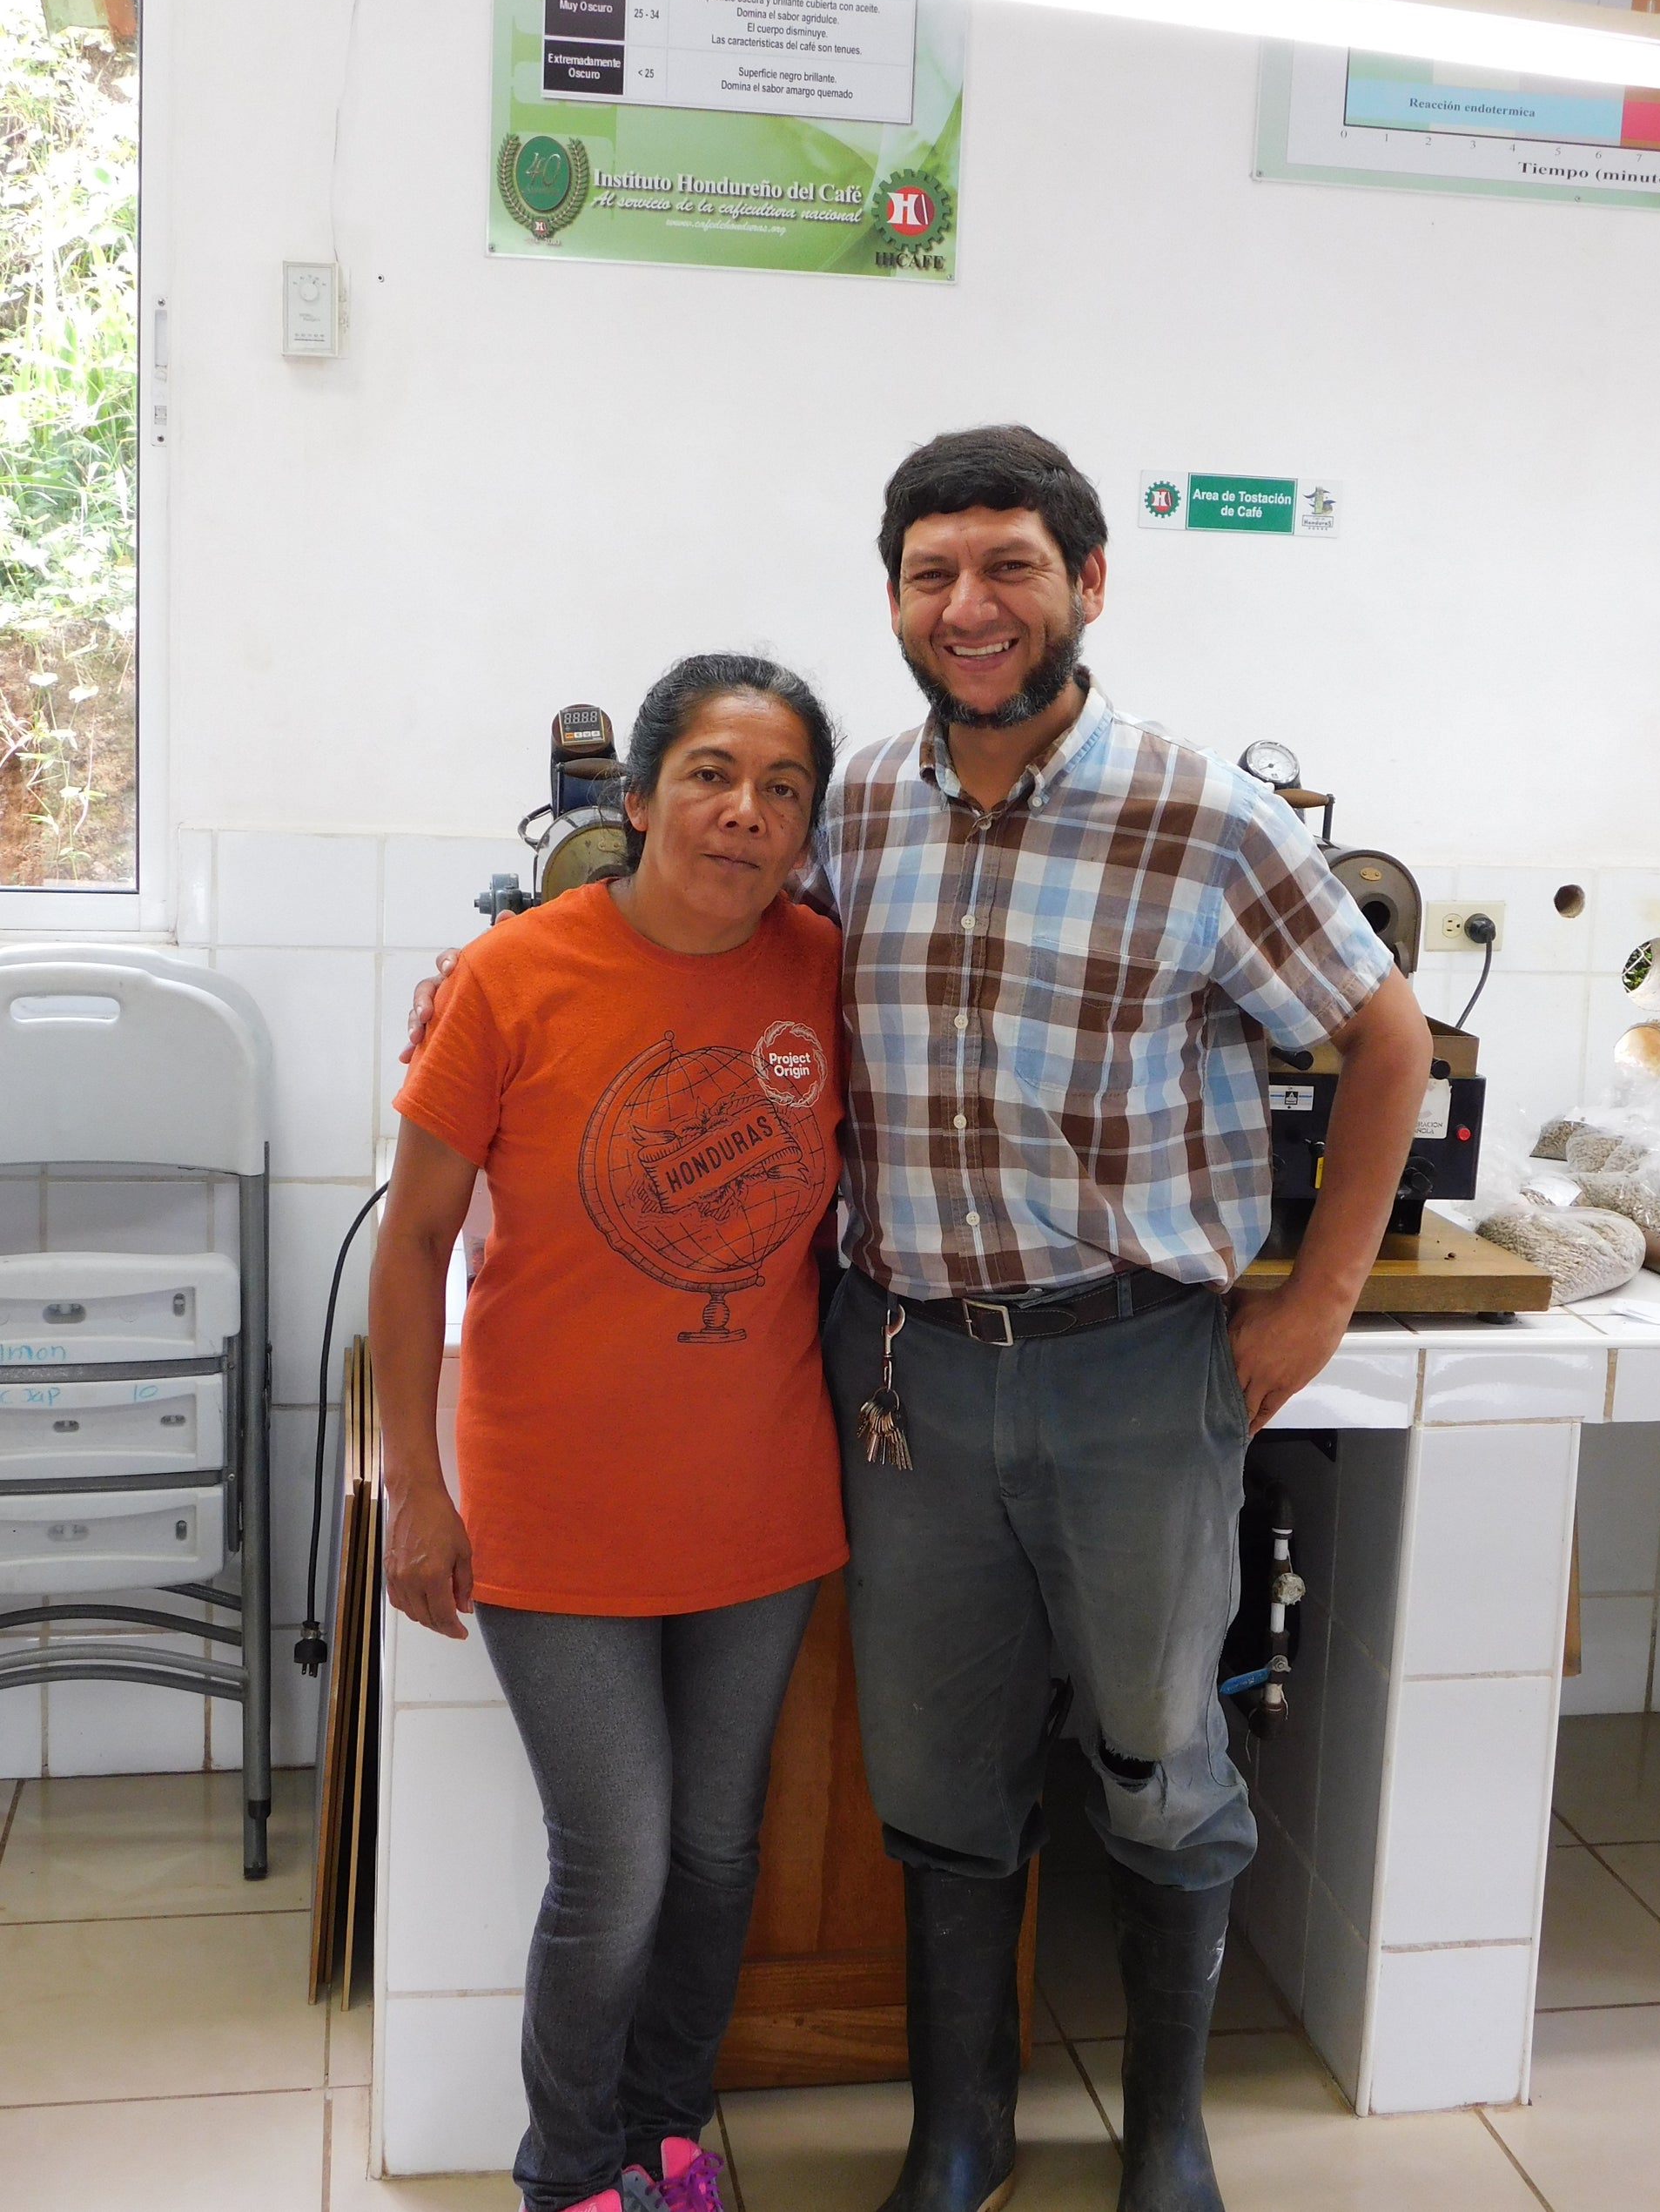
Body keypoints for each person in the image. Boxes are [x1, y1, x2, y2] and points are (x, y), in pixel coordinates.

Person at [406, 427, 1433, 2212]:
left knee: (1159, 1758)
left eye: (1008, 567)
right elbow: (685, 942)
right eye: (931, 572)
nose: (969, 606)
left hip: (1134, 1366)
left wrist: (1318, 1296)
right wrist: (498, 975)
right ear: (891, 598)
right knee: (941, 1778)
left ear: (1086, 586)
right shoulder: (855, 805)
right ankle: (956, 2130)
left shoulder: (1202, 813)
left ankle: (1168, 2140)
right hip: (903, 1382)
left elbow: (1388, 1037)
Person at [373, 654, 850, 2212]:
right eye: (712, 775)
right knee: (620, 1861)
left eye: (784, 789)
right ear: (636, 797)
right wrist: (413, 1488)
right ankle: (570, 2174)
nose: (746, 813)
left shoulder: (823, 971)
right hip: (554, 1504)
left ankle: (666, 2136)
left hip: (759, 1500)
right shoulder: (512, 976)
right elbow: (414, 1243)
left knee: (720, 1856)